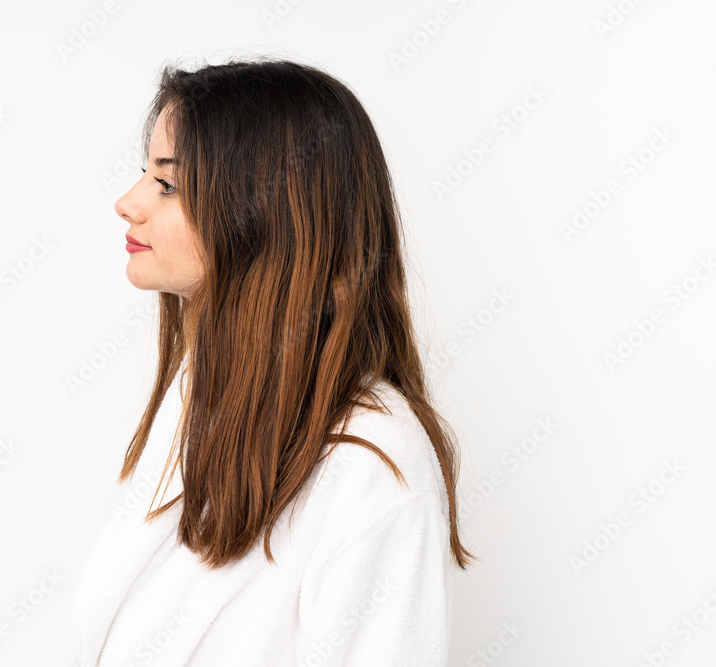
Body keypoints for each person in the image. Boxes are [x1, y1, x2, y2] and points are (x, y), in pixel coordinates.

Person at [69, 56, 476, 666]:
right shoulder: (201, 400)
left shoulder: (373, 471)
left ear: (268, 210)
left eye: (168, 184)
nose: (128, 204)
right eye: (143, 175)